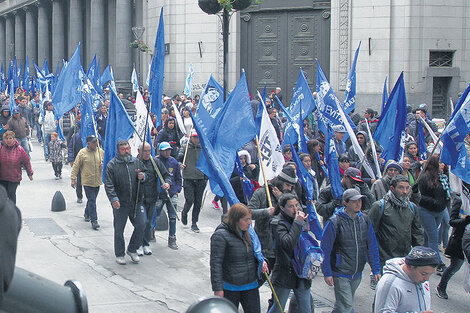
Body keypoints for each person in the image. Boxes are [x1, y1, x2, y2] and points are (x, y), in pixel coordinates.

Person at [321, 188, 381, 313]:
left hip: (357, 272)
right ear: (345, 203)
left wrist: (376, 269)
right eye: (354, 201)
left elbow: (372, 245)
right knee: (347, 308)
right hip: (340, 272)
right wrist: (327, 272)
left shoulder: (365, 219)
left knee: (341, 306)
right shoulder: (334, 222)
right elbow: (325, 250)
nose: (358, 204)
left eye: (359, 200)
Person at [368, 175, 424, 289]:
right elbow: (370, 234)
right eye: (401, 188)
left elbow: (417, 232)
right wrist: (374, 261)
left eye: (407, 188)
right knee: (384, 291)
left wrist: (419, 255)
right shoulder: (379, 206)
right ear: (392, 188)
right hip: (384, 259)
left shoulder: (412, 208)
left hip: (404, 259)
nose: (405, 192)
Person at [210, 203, 268, 313]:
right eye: (246, 219)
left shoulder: (248, 233)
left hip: (250, 285)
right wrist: (218, 289)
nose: (249, 223)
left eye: (250, 219)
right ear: (236, 220)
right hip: (230, 287)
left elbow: (256, 252)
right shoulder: (221, 235)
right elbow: (215, 264)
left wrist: (263, 261)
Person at [248, 166, 298, 273]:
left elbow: (297, 213)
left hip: (283, 247)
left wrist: (281, 198)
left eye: (291, 186)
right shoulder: (261, 193)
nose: (289, 188)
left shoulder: (290, 195)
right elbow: (248, 213)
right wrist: (266, 212)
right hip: (265, 246)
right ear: (280, 181)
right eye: (287, 185)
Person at [105, 139, 146, 265]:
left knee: (141, 224)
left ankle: (132, 249)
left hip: (136, 201)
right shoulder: (112, 165)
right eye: (123, 149)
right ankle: (120, 253)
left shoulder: (136, 162)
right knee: (119, 230)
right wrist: (114, 199)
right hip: (120, 203)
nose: (126, 151)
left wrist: (143, 176)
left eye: (127, 148)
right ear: (118, 151)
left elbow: (146, 174)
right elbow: (109, 185)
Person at [268, 193, 311, 313]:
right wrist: (297, 223)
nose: (295, 209)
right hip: (285, 272)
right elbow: (287, 244)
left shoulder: (301, 218)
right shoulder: (277, 223)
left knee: (305, 309)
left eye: (296, 205)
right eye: (291, 206)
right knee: (278, 308)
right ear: (282, 208)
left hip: (301, 272)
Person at [374, 246, 439, 313]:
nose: (427, 279)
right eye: (423, 273)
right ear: (409, 266)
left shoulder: (420, 279)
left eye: (430, 274)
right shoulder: (389, 284)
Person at [417, 154, 450, 273]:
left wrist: (444, 202)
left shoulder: (443, 178)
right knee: (433, 237)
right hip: (427, 211)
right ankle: (438, 263)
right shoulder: (424, 177)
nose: (443, 165)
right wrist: (434, 202)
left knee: (428, 235)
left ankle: (423, 257)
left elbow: (446, 193)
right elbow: (419, 196)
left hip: (439, 211)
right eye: (440, 163)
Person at [137, 142, 171, 254]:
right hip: (139, 199)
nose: (147, 153)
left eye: (149, 151)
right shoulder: (135, 163)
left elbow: (166, 175)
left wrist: (167, 183)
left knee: (148, 222)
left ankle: (146, 244)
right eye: (145, 151)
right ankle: (137, 244)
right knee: (141, 222)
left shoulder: (155, 162)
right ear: (139, 152)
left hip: (152, 198)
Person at [436, 192, 470, 299]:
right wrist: (465, 221)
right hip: (459, 241)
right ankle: (441, 287)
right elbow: (452, 221)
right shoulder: (460, 201)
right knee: (454, 267)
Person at [71, 135, 104, 230]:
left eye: (96, 142)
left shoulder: (100, 152)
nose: (95, 144)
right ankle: (94, 220)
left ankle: (87, 213)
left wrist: (103, 165)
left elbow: (106, 162)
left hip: (97, 181)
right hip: (87, 181)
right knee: (92, 200)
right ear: (88, 144)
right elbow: (76, 166)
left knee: (92, 200)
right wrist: (73, 179)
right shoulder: (82, 153)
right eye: (93, 142)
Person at [153, 142, 182, 250]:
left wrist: (177, 190)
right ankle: (151, 232)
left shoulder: (173, 162)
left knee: (173, 217)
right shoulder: (155, 161)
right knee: (155, 214)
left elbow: (178, 178)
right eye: (165, 150)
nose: (167, 152)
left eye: (169, 150)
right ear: (160, 151)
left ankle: (172, 238)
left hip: (172, 193)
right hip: (160, 194)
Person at [180, 131, 207, 233]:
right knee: (190, 199)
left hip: (200, 178)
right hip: (188, 177)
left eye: (198, 138)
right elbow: (178, 159)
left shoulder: (203, 148)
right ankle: (184, 212)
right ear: (191, 137)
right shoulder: (185, 147)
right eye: (194, 137)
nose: (196, 140)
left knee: (198, 202)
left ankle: (194, 222)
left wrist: (205, 177)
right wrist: (180, 165)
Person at [0, 130, 33, 203]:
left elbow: (26, 162)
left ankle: (12, 211)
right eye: (6, 138)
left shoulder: (19, 149)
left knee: (11, 193)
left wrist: (29, 173)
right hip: (2, 177)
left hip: (14, 177)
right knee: (3, 195)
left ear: (14, 139)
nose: (8, 140)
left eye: (10, 138)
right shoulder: (1, 148)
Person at [68, 123, 84, 203]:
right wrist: (71, 159)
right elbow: (71, 147)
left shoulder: (92, 135)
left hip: (90, 162)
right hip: (79, 161)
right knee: (79, 180)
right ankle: (79, 196)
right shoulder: (76, 136)